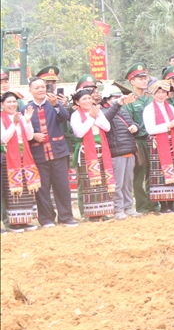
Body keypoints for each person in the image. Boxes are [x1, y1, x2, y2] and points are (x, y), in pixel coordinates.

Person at [22, 72, 75, 226]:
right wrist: (33, 136)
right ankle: (46, 218)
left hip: (58, 151)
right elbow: (23, 132)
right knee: (42, 188)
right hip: (38, 154)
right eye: (37, 87)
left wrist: (57, 105)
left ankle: (66, 217)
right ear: (30, 90)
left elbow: (64, 118)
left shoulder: (54, 104)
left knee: (62, 185)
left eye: (43, 87)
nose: (41, 90)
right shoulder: (26, 109)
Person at [70, 88, 116, 221]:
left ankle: (103, 211)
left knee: (103, 181)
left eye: (89, 98)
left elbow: (107, 127)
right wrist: (91, 118)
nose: (88, 101)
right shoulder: (76, 115)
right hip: (86, 152)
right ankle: (90, 214)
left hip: (101, 149)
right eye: (84, 99)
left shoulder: (98, 111)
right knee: (88, 183)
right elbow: (79, 132)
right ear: (77, 102)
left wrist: (95, 117)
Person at [142, 79, 174, 211]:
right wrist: (169, 126)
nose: (161, 95)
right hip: (157, 143)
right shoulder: (149, 109)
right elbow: (150, 130)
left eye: (163, 92)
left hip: (171, 141)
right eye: (158, 92)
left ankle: (172, 202)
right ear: (153, 94)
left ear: (167, 94)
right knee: (160, 173)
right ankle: (163, 204)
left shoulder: (171, 107)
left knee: (173, 171)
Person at [1, 90, 40, 231]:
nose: (12, 104)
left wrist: (28, 120)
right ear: (2, 104)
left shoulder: (21, 117)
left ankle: (25, 220)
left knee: (26, 189)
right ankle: (13, 222)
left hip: (25, 156)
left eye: (14, 102)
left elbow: (29, 137)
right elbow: (3, 138)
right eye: (9, 102)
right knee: (12, 190)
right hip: (9, 158)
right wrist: (13, 123)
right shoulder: (1, 118)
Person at [101, 85, 137, 218]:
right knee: (117, 183)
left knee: (128, 182)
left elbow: (133, 123)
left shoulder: (124, 111)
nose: (118, 100)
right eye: (114, 98)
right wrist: (116, 105)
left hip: (129, 150)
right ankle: (118, 209)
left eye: (118, 97)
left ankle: (128, 207)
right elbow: (105, 120)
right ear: (107, 99)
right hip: (116, 152)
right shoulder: (103, 111)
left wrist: (135, 127)